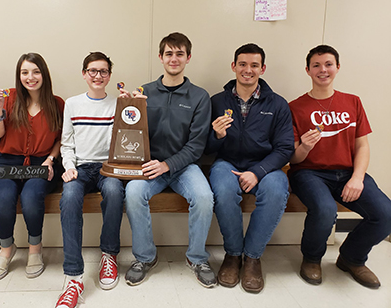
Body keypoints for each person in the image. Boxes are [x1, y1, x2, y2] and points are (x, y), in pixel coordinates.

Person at [288, 45, 391, 288]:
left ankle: (352, 258)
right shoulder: (295, 107)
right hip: (309, 173)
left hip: (348, 172)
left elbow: (362, 147)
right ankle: (312, 259)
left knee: (385, 214)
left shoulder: (352, 102)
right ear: (308, 70)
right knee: (324, 210)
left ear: (337, 68)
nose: (322, 70)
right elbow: (293, 159)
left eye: (328, 64)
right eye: (316, 65)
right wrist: (304, 146)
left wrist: (357, 178)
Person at [120, 32, 216, 288]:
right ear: (161, 57)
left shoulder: (199, 96)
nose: (174, 59)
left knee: (205, 198)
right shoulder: (145, 92)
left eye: (180, 54)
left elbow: (197, 145)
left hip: (185, 167)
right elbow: (131, 133)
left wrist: (169, 164)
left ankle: (197, 258)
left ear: (188, 57)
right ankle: (144, 257)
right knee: (132, 192)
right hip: (150, 165)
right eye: (169, 54)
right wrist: (128, 108)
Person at [206, 43, 294, 293]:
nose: (248, 70)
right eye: (242, 64)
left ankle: (253, 257)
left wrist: (258, 172)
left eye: (254, 65)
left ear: (262, 69)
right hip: (227, 163)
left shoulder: (277, 104)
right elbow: (206, 148)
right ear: (233, 66)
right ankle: (233, 255)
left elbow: (285, 148)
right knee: (223, 190)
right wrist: (218, 136)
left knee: (278, 190)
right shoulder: (217, 101)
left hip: (265, 166)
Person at [55, 52, 124, 308]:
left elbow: (127, 142)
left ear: (109, 75)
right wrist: (69, 167)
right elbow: (67, 143)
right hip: (81, 168)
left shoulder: (118, 104)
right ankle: (73, 277)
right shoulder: (72, 104)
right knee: (70, 196)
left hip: (108, 168)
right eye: (92, 71)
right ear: (84, 74)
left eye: (103, 71)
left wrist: (132, 107)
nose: (98, 76)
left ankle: (109, 254)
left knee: (115, 192)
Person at [0, 53, 64, 281]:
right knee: (4, 197)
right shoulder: (9, 98)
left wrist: (51, 159)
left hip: (42, 163)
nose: (30, 77)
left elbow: (62, 138)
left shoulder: (57, 103)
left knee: (31, 197)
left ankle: (35, 248)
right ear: (18, 75)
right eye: (24, 72)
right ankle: (6, 249)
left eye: (35, 72)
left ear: (44, 74)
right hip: (7, 164)